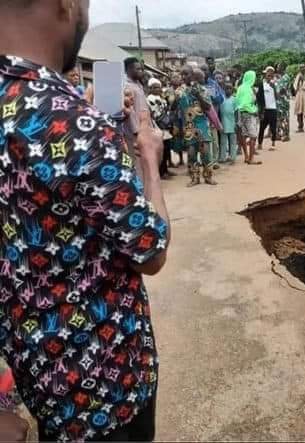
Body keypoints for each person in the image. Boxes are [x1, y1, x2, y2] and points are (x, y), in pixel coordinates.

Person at [0, 1, 171, 442]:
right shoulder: (78, 123)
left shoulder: (69, 115)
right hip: (110, 395)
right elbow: (151, 251)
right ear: (66, 4)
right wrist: (148, 159)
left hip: (42, 388)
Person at [180, 66, 217, 186]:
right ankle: (194, 178)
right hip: (188, 126)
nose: (183, 77)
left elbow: (207, 107)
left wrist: (198, 96)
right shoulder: (180, 91)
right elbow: (176, 109)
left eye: (186, 74)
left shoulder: (202, 90)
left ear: (193, 75)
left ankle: (208, 176)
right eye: (182, 75)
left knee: (205, 152)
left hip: (202, 125)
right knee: (191, 154)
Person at [124, 57, 152, 168]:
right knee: (136, 160)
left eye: (141, 69)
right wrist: (136, 132)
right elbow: (130, 111)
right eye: (138, 69)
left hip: (144, 129)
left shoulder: (138, 85)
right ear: (129, 70)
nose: (141, 71)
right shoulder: (127, 87)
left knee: (145, 160)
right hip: (135, 132)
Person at [147, 78, 175, 179]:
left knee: (167, 149)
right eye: (155, 87)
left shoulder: (161, 98)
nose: (158, 89)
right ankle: (161, 172)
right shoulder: (150, 99)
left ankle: (166, 170)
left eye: (159, 87)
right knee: (161, 151)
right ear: (150, 89)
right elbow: (155, 114)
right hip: (158, 127)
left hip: (165, 127)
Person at [236, 70, 262, 165]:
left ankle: (246, 156)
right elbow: (246, 103)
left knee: (243, 135)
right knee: (253, 136)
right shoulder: (248, 89)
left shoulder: (240, 88)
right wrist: (254, 111)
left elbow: (238, 101)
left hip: (241, 113)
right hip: (249, 114)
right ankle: (251, 159)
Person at [166, 73, 186, 167]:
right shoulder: (167, 91)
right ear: (170, 79)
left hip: (183, 117)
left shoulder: (184, 90)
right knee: (172, 138)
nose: (176, 79)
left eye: (178, 77)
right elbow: (168, 106)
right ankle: (170, 161)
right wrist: (176, 99)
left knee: (182, 137)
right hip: (172, 118)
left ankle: (182, 159)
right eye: (174, 77)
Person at [257, 67, 278, 151]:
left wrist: (274, 88)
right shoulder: (261, 84)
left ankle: (273, 144)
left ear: (272, 75)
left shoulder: (275, 84)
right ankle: (259, 144)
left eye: (270, 75)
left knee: (273, 127)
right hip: (265, 109)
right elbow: (259, 97)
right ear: (265, 75)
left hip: (273, 109)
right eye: (267, 74)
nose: (269, 76)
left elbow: (277, 97)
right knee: (262, 127)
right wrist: (260, 110)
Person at [219, 83, 238, 164]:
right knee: (223, 141)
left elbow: (236, 111)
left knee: (233, 141)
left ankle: (232, 157)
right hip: (223, 122)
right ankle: (222, 157)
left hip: (232, 122)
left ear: (232, 90)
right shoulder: (221, 99)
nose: (228, 90)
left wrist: (237, 123)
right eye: (226, 88)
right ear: (224, 90)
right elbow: (219, 112)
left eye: (230, 89)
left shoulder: (234, 99)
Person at [293, 65, 305, 133]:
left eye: (303, 67)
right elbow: (295, 86)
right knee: (299, 111)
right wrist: (299, 80)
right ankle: (300, 127)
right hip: (299, 93)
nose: (302, 69)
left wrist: (303, 80)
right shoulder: (298, 76)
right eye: (301, 68)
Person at [274, 63, 291, 142]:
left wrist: (276, 93)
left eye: (279, 67)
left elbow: (283, 89)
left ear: (283, 68)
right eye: (277, 67)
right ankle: (279, 134)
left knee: (284, 118)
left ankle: (286, 135)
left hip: (284, 101)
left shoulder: (286, 77)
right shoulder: (278, 77)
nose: (277, 69)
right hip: (278, 102)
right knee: (278, 118)